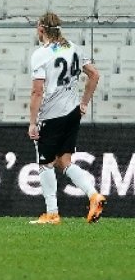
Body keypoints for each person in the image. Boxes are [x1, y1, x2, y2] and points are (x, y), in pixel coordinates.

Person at [28, 12, 105, 225]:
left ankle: (52, 213)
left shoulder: (41, 54)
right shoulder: (73, 48)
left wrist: (33, 122)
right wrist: (84, 103)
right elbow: (94, 75)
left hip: (52, 115)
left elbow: (37, 91)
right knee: (64, 161)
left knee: (45, 163)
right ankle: (93, 195)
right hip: (72, 113)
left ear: (41, 29)